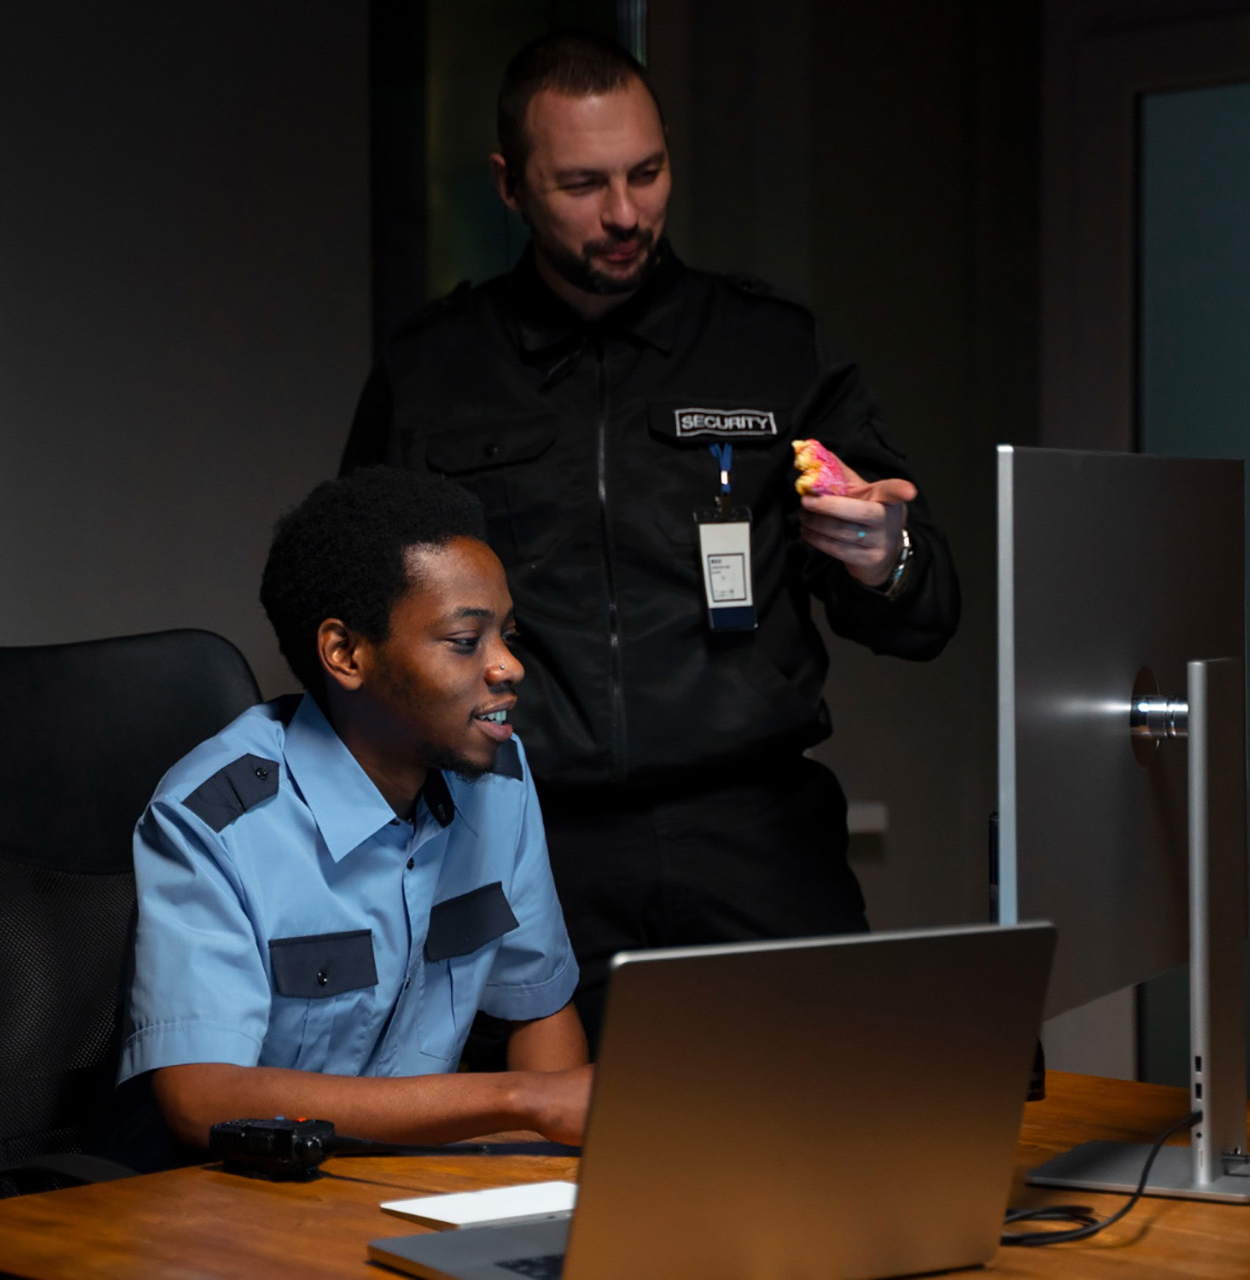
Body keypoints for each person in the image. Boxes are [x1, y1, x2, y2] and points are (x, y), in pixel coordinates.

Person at [342, 33, 961, 1051]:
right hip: (525, 838)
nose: (625, 213)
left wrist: (884, 557)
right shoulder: (434, 370)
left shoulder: (770, 346)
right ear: (509, 185)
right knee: (541, 1139)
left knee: (819, 1123)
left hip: (755, 834)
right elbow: (359, 614)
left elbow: (925, 611)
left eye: (646, 172)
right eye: (582, 184)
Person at [117, 466, 590, 1153]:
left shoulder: (498, 776)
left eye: (506, 636)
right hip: (245, 1193)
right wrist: (520, 1102)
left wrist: (550, 1182)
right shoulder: (212, 820)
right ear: (345, 653)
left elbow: (538, 1011)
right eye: (466, 641)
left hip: (417, 1182)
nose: (508, 666)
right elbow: (202, 1100)